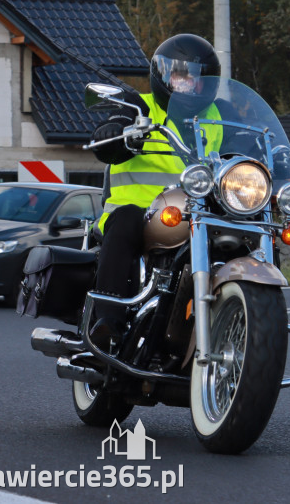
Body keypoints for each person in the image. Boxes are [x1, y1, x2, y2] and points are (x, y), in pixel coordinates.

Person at [88, 34, 223, 347]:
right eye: (180, 76)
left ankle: (257, 314)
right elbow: (110, 133)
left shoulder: (220, 116)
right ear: (163, 77)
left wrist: (286, 158)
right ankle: (108, 319)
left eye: (198, 79)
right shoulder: (138, 106)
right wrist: (115, 134)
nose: (190, 84)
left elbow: (252, 144)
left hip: (198, 214)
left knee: (251, 228)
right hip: (140, 210)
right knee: (125, 220)